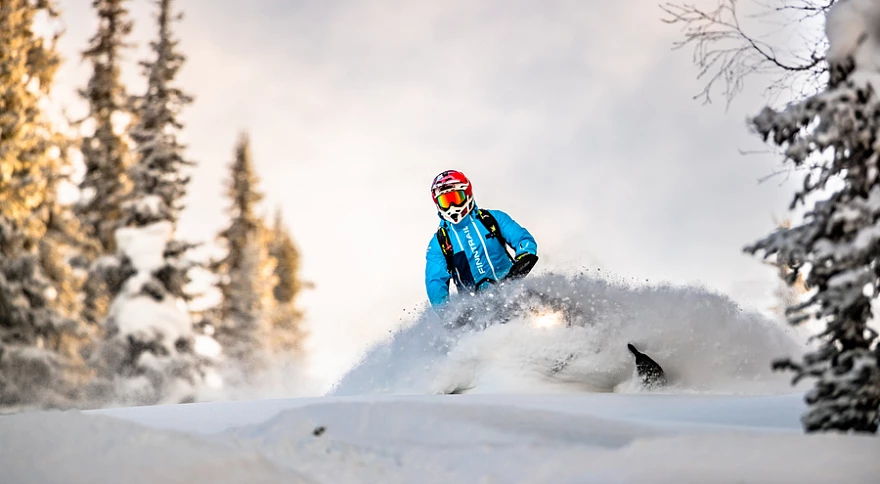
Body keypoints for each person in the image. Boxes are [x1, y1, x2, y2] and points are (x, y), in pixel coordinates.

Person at [425, 170, 539, 313]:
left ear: (466, 193)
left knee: (554, 309)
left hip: (514, 293)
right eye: (445, 201)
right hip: (479, 314)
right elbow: (435, 282)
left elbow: (522, 238)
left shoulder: (493, 218)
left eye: (455, 198)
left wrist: (524, 257)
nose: (452, 206)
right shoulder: (439, 243)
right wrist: (448, 315)